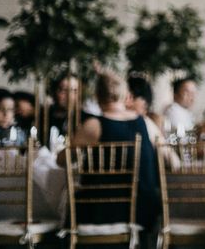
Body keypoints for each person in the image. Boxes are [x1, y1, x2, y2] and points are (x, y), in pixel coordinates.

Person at [65, 71, 160, 234]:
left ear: (97, 96)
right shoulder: (146, 123)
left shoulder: (93, 125)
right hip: (143, 211)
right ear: (126, 95)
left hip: (100, 211)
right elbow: (172, 159)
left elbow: (63, 160)